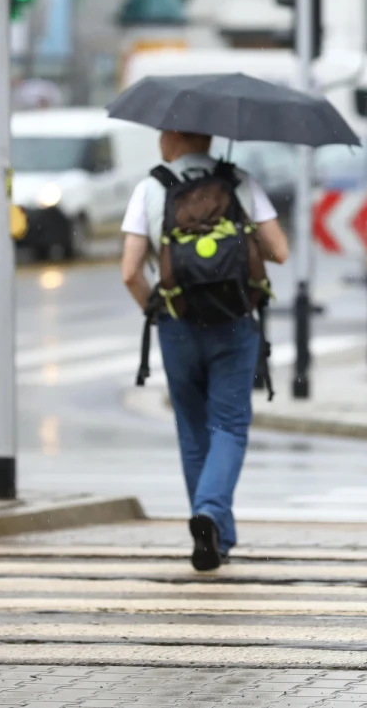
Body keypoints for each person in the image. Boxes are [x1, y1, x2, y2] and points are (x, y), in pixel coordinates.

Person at [121, 130, 289, 571]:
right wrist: (237, 240)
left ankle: (213, 528)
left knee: (192, 431)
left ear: (173, 139)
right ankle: (212, 516)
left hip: (178, 325)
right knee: (229, 427)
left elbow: (129, 272)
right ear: (208, 138)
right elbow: (281, 251)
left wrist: (158, 313)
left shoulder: (151, 187)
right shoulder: (239, 182)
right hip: (234, 322)